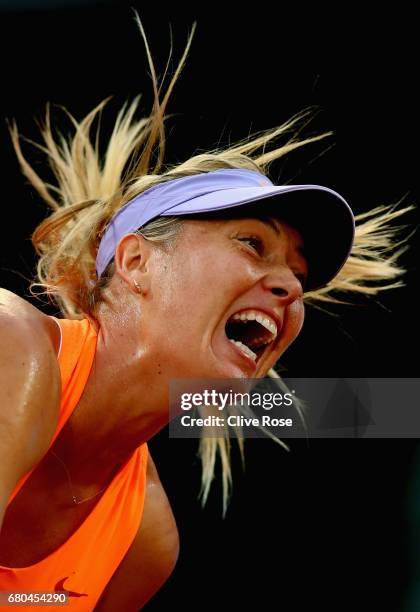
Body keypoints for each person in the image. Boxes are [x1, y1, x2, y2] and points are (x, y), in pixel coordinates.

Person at [0, 15, 411, 611]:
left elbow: (382, 411)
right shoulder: (12, 346)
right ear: (137, 262)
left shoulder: (144, 541)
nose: (290, 291)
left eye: (298, 278)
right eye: (252, 244)